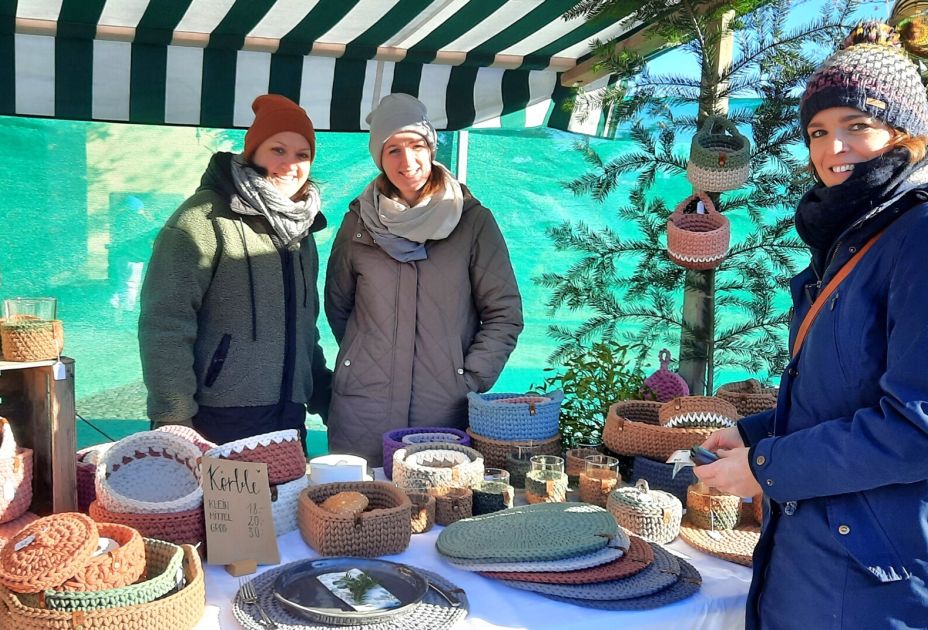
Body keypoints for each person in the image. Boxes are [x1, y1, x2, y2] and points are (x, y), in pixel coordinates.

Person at [694, 22, 928, 628]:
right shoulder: (853, 235)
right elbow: (844, 396)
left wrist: (767, 467)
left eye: (858, 126)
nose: (833, 150)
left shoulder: (919, 237)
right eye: (819, 132)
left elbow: (916, 429)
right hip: (820, 559)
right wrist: (755, 435)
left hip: (875, 579)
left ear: (907, 134)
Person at [324, 93, 523, 466]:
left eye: (415, 145)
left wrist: (466, 380)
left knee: (436, 512)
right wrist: (361, 358)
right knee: (358, 514)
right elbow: (339, 307)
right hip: (362, 412)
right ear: (379, 158)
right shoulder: (359, 223)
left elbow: (503, 314)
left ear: (431, 146)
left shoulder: (472, 222)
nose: (407, 160)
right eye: (393, 150)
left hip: (442, 412)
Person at [139, 94, 331, 449]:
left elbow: (304, 329)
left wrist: (324, 395)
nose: (290, 165)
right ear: (252, 152)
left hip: (288, 418)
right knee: (217, 508)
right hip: (216, 418)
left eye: (302, 155)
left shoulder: (302, 230)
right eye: (278, 150)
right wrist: (174, 417)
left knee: (286, 506)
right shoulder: (201, 219)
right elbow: (165, 324)